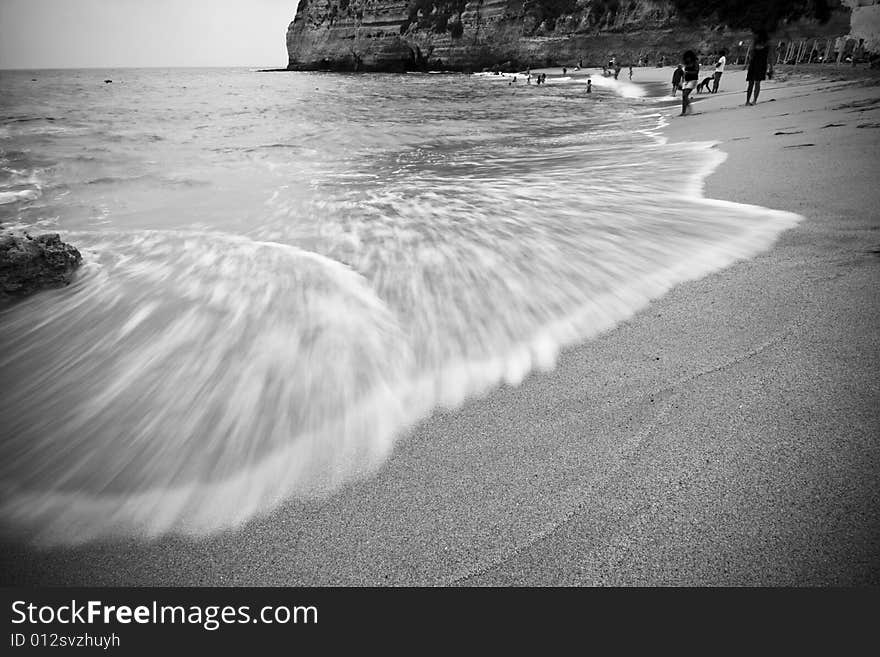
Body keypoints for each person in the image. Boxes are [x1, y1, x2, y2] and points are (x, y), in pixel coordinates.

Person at [746, 30, 772, 105]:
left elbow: (750, 55)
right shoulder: (758, 45)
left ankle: (751, 101)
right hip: (758, 64)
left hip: (757, 64)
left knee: (753, 83)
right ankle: (751, 101)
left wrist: (770, 68)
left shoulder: (759, 45)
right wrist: (770, 68)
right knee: (755, 83)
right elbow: (750, 55)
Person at [680, 50, 699, 115]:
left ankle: (688, 110)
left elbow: (696, 72)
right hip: (686, 81)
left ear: (691, 57)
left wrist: (688, 73)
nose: (687, 58)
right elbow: (684, 73)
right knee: (683, 96)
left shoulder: (695, 62)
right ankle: (683, 112)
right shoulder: (686, 63)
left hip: (693, 80)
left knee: (685, 95)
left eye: (689, 57)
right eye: (686, 57)